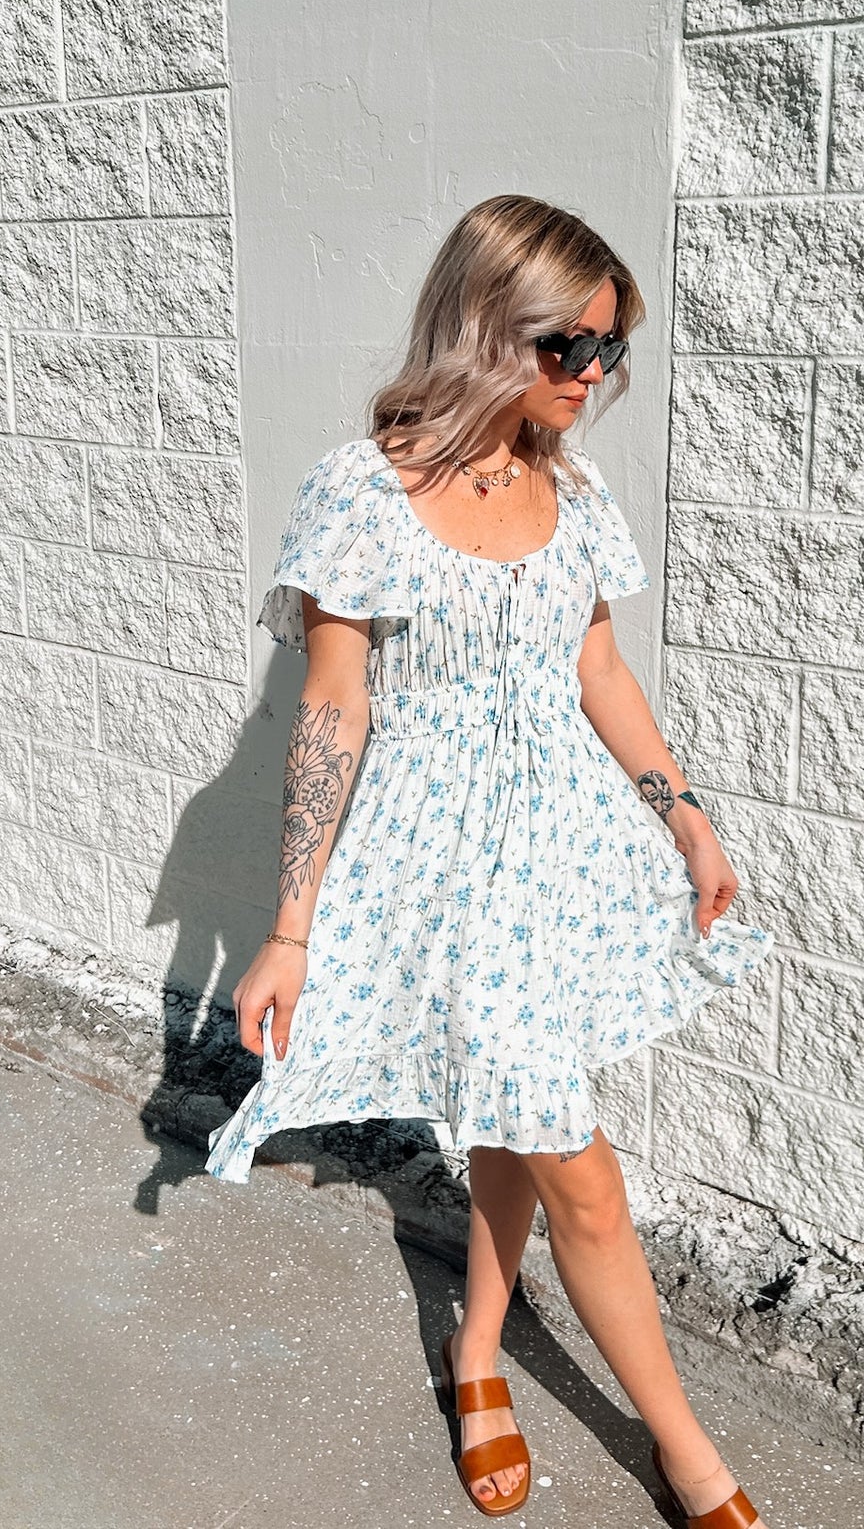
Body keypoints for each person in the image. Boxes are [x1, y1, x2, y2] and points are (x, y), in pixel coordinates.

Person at [207, 194, 773, 1526]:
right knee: (574, 1158)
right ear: (481, 322)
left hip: (560, 862)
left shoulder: (569, 489)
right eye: (563, 345)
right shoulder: (362, 490)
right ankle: (690, 1459)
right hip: (440, 875)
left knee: (520, 1114)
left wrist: (683, 814)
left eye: (606, 351)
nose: (589, 377)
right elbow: (331, 712)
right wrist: (289, 928)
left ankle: (474, 1356)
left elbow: (595, 667)